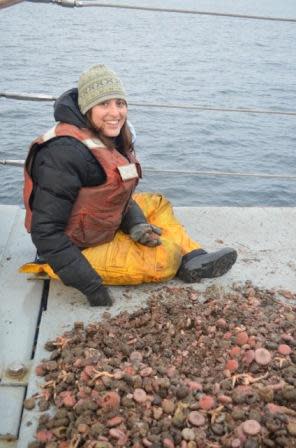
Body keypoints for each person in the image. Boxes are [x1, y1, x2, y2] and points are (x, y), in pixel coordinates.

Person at [23, 64, 237, 307]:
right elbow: (46, 233)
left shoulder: (107, 135)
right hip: (73, 248)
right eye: (104, 104)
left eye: (120, 103)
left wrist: (135, 224)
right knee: (165, 258)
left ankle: (194, 258)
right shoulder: (64, 154)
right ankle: (179, 259)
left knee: (156, 203)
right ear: (86, 108)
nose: (115, 112)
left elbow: (114, 192)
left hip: (96, 220)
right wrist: (92, 287)